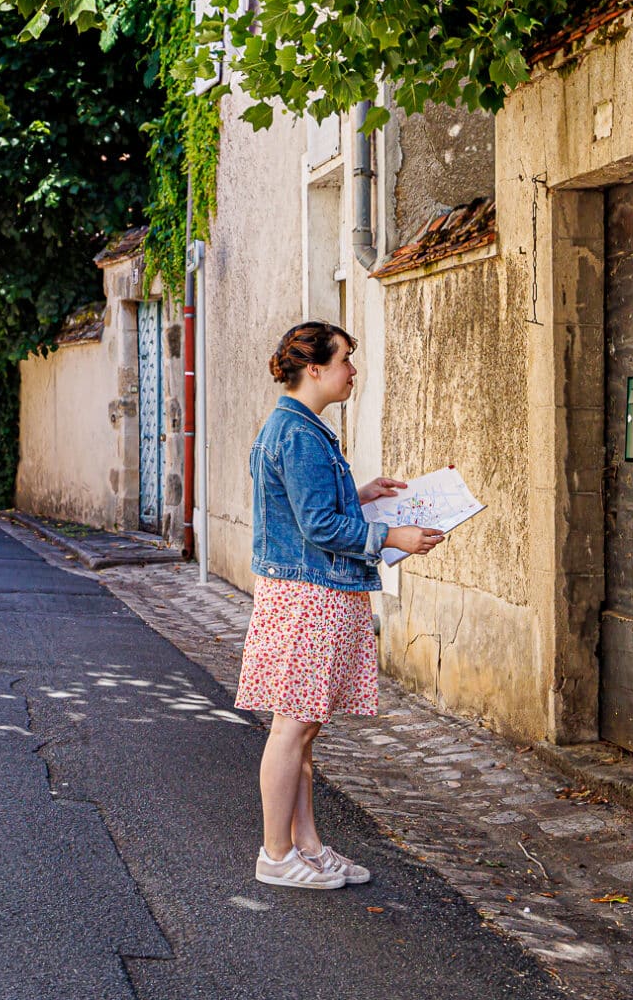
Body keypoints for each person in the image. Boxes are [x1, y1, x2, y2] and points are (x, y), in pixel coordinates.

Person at [236, 321, 445, 890]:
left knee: (304, 731)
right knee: (291, 728)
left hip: (311, 592)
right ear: (316, 369)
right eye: (347, 360)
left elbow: (297, 507)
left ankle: (306, 846)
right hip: (308, 596)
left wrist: (361, 494)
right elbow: (317, 524)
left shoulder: (300, 426)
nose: (354, 371)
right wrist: (390, 538)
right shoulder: (299, 432)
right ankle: (276, 855)